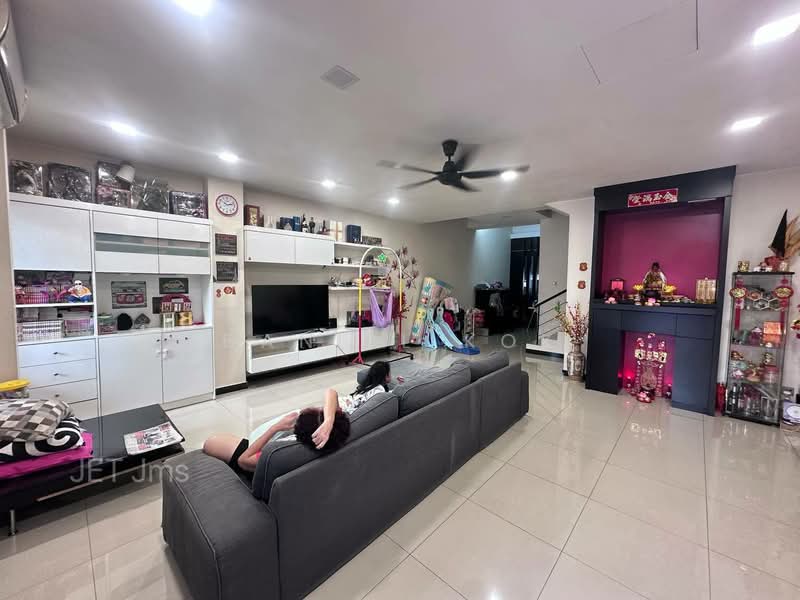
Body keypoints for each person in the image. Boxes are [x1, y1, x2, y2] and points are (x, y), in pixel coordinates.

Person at [203, 361, 392, 476]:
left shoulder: (278, 453)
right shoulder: (327, 440)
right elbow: (331, 393)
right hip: (271, 448)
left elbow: (244, 460)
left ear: (299, 430)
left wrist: (276, 427)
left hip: (252, 456)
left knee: (211, 442)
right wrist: (328, 421)